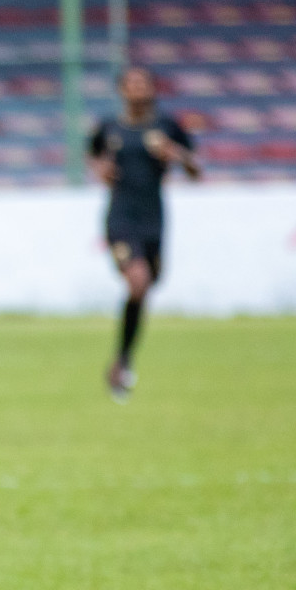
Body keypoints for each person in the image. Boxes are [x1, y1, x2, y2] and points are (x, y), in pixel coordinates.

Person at [88, 66, 201, 400]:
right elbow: (94, 158)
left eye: (143, 84)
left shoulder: (166, 127)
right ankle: (121, 363)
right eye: (131, 84)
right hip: (120, 217)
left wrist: (176, 155)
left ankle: (122, 359)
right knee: (137, 281)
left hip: (154, 218)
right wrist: (101, 170)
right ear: (122, 90)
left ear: (152, 89)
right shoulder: (109, 128)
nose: (137, 89)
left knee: (149, 285)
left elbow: (196, 170)